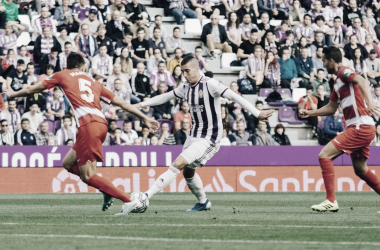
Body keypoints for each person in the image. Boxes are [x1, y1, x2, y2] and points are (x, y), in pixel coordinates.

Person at [4, 51, 159, 215]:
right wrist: (144, 118)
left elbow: (32, 90)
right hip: (101, 124)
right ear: (83, 65)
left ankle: (129, 200)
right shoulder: (93, 81)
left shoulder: (62, 75)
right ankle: (107, 190)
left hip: (88, 126)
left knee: (88, 176)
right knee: (68, 163)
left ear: (67, 65)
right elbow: (121, 102)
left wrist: (13, 93)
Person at [134, 56, 273, 211]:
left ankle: (146, 196)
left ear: (196, 68)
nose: (184, 75)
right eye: (182, 72)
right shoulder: (186, 87)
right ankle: (203, 202)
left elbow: (234, 96)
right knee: (188, 171)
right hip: (193, 136)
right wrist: (141, 104)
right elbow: (166, 96)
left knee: (178, 164)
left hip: (209, 138)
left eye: (187, 71)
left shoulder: (210, 84)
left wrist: (256, 112)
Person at [299, 46, 380, 212]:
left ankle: (330, 200)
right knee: (360, 169)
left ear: (331, 61)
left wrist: (370, 102)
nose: (322, 64)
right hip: (362, 127)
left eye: (324, 61)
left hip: (360, 126)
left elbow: (363, 81)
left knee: (324, 155)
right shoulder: (337, 82)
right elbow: (331, 108)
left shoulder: (344, 71)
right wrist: (310, 113)